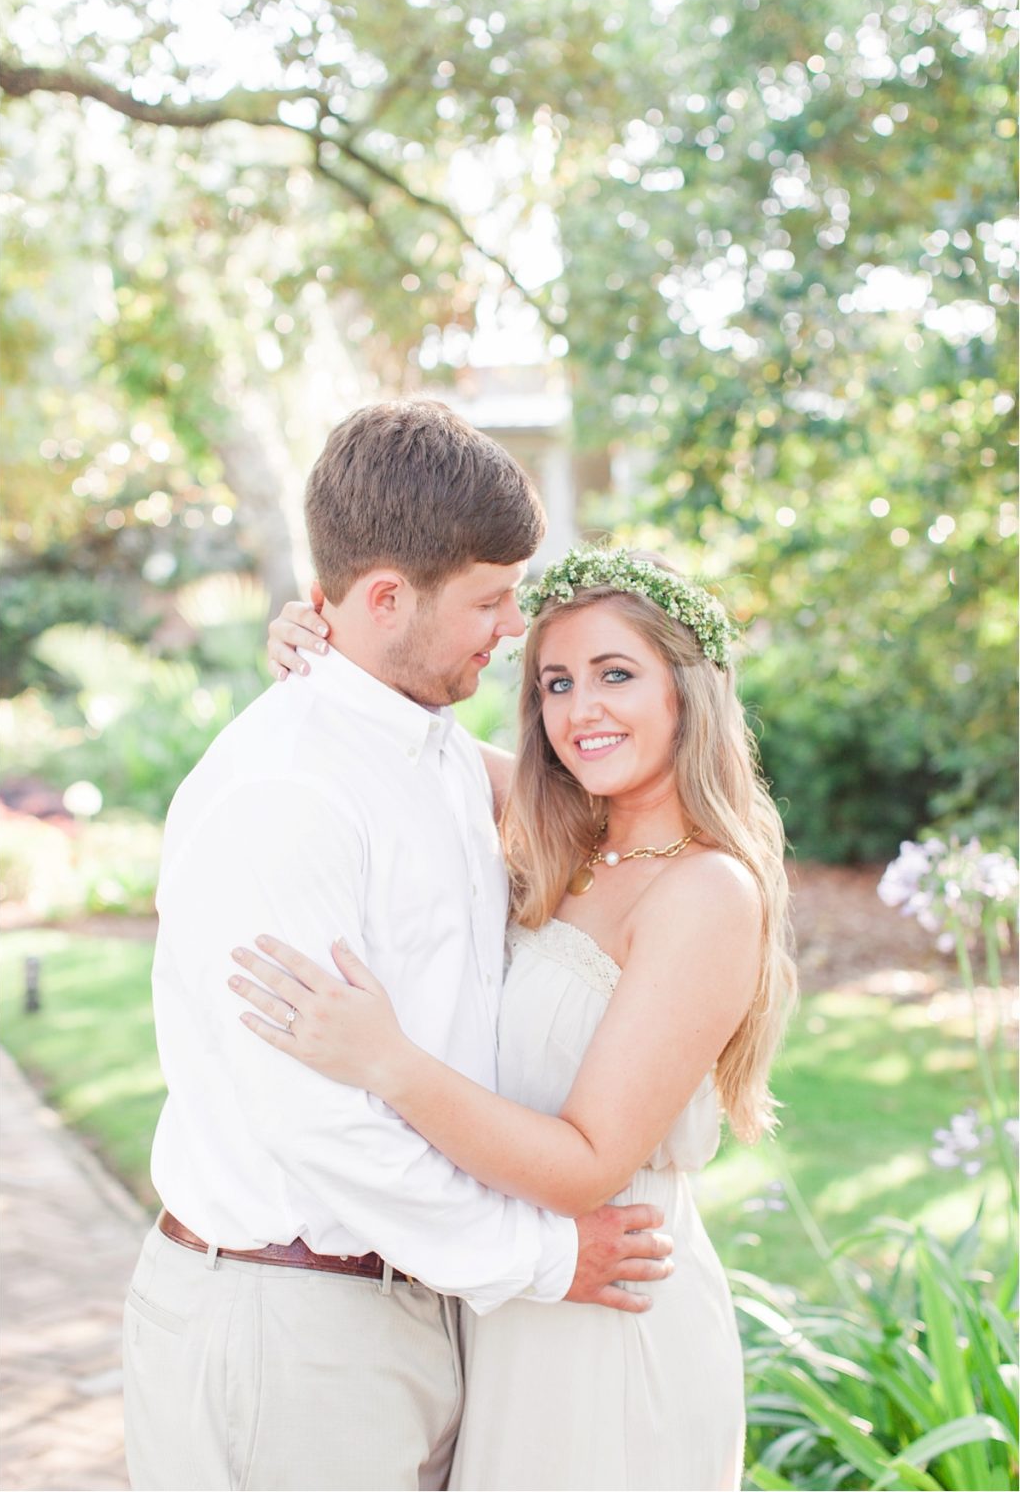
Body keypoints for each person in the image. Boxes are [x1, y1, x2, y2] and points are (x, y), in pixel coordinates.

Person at [123, 400, 679, 1492]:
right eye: (487, 597)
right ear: (384, 598)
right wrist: (545, 1256)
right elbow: (320, 1127)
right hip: (291, 1332)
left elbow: (614, 822)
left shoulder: (424, 748)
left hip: (406, 1309)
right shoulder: (287, 793)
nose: (511, 625)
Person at [245, 542, 796, 1488]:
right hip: (516, 1300)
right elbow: (407, 736)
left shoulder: (706, 892)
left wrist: (389, 1061)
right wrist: (319, 649)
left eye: (616, 674)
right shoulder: (569, 835)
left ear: (686, 690)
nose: (581, 710)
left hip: (611, 1315)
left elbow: (587, 1164)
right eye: (554, 682)